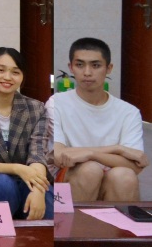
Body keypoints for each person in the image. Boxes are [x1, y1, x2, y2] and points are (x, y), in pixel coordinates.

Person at [49, 37, 145, 201]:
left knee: (125, 176)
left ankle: (119, 220)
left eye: (95, 65)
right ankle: (69, 219)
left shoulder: (129, 112)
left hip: (112, 181)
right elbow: (58, 156)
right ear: (71, 67)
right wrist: (117, 149)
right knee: (90, 170)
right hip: (66, 185)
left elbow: (135, 166)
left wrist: (90, 153)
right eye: (80, 65)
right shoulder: (56, 103)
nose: (87, 72)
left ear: (109, 68)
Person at [0, 47, 53, 220]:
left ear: (22, 77)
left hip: (29, 179)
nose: (7, 77)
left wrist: (38, 190)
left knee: (47, 196)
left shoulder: (36, 108)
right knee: (2, 184)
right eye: (0, 70)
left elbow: (38, 153)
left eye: (15, 72)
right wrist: (17, 168)